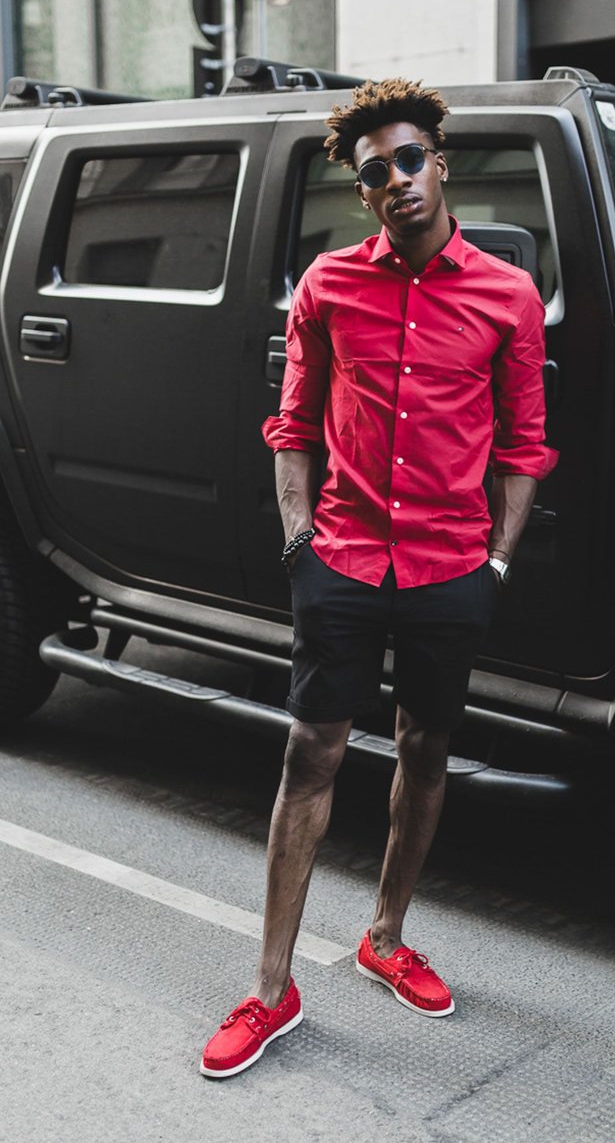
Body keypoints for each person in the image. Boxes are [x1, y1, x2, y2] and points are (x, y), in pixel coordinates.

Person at [201, 77, 558, 1079]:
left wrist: (494, 560)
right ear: (361, 193)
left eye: (408, 160)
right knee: (309, 756)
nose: (395, 181)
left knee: (425, 750)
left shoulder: (506, 295)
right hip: (344, 561)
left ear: (438, 166)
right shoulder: (327, 287)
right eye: (374, 173)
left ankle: (384, 938)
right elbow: (292, 423)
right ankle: (271, 990)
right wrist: (296, 545)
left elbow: (526, 447)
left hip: (451, 567)